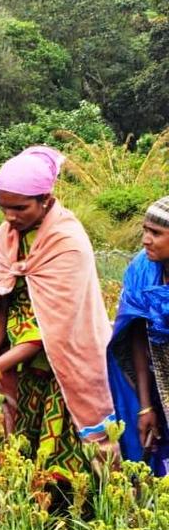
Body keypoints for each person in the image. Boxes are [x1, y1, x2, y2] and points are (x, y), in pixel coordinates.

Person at [0, 146, 116, 485]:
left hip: (64, 360)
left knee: (66, 455)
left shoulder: (67, 240)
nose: (10, 216)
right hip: (20, 361)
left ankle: (75, 517)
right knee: (20, 447)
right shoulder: (5, 236)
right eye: (3, 207)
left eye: (19, 208)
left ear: (45, 199)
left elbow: (52, 328)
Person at [107, 196, 169, 476]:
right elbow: (136, 337)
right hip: (157, 377)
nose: (146, 240)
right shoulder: (142, 270)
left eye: (156, 233)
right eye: (145, 230)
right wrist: (144, 405)